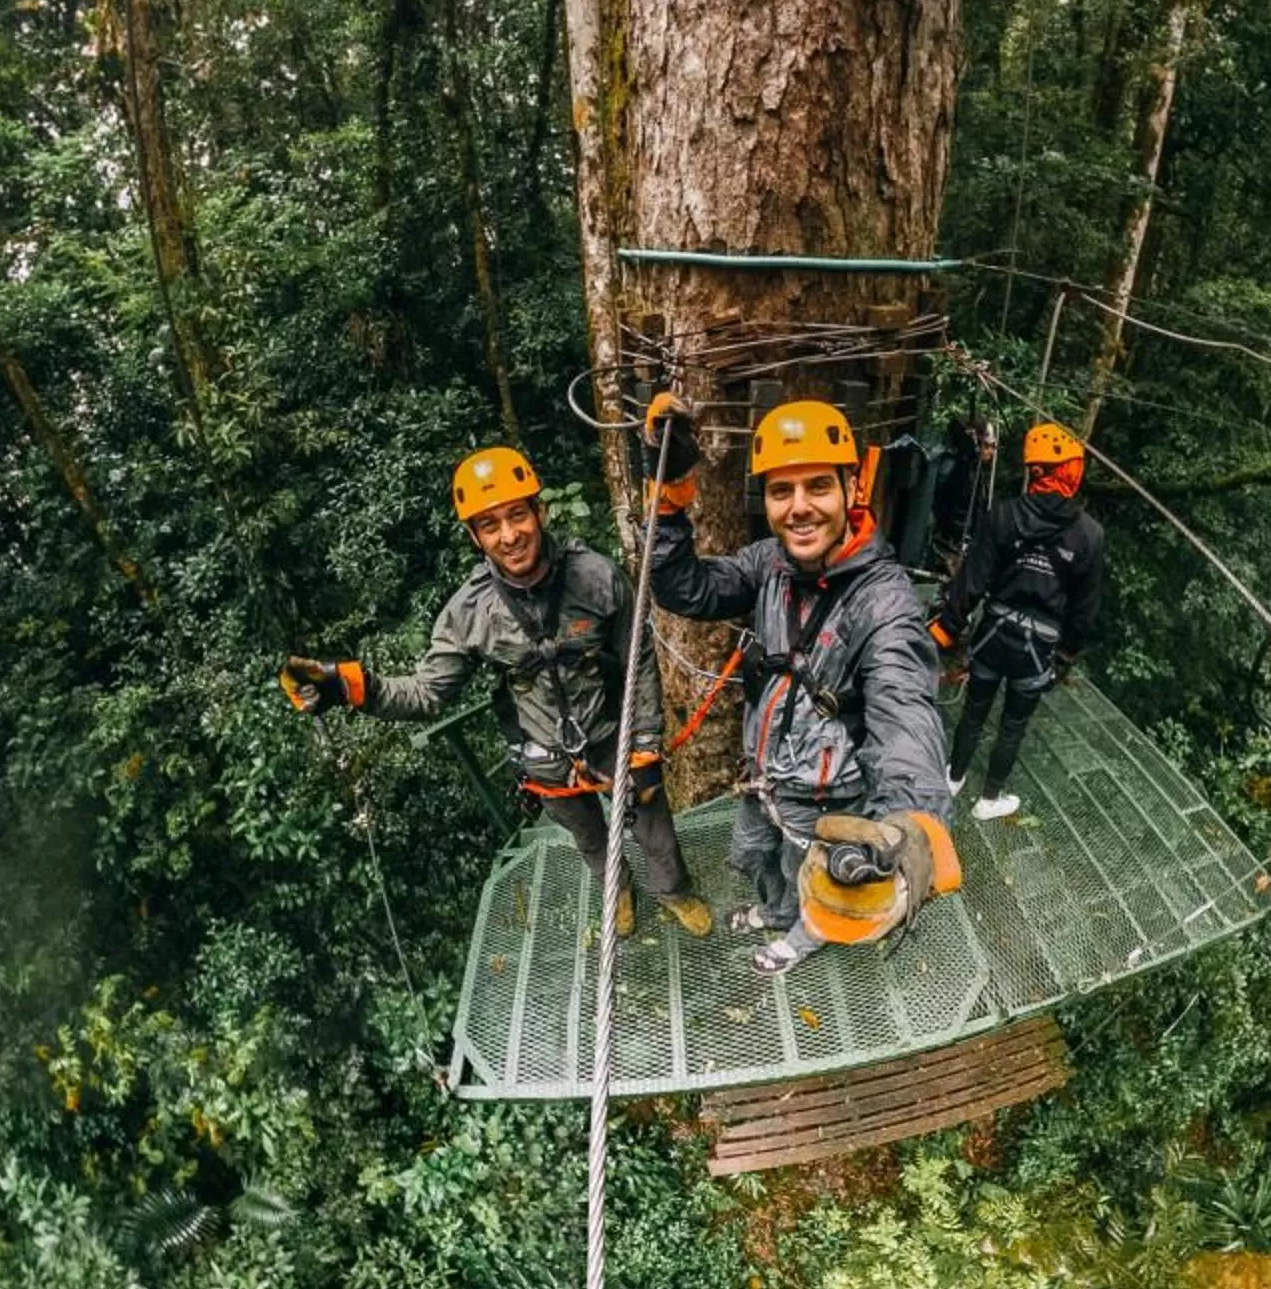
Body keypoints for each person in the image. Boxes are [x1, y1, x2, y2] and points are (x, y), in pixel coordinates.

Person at [282, 446, 710, 939]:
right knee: (590, 837)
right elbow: (428, 694)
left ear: (539, 511)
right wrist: (350, 687)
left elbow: (636, 656)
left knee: (652, 822)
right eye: (490, 525)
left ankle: (674, 890)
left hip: (612, 734)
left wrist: (646, 743)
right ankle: (618, 890)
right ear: (475, 537)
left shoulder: (595, 577)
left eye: (516, 516)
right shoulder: (470, 613)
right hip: (544, 754)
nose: (509, 536)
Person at [643, 398, 956, 975]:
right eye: (781, 492)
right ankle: (775, 911)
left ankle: (798, 940)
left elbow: (904, 707)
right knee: (755, 857)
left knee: (813, 874)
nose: (799, 508)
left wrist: (911, 819)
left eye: (818, 486)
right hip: (767, 776)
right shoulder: (769, 564)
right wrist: (669, 502)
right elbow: (685, 589)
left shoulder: (884, 603)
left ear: (850, 488)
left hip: (828, 798)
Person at [931, 420, 1106, 822]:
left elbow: (972, 580)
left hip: (993, 635)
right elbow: (1085, 608)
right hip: (1037, 648)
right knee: (1012, 726)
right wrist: (1064, 658)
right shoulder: (1089, 536)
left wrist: (947, 627)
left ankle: (954, 777)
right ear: (1068, 471)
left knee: (975, 709)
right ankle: (989, 799)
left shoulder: (1004, 515)